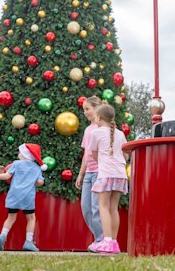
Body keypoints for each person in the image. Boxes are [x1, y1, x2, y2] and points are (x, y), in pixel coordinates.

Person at [0, 143, 46, 252]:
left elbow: (7, 176)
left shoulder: (16, 164)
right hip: (28, 197)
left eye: (20, 152)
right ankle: (28, 242)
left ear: (25, 154)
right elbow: (40, 182)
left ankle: (2, 235)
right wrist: (33, 182)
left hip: (14, 195)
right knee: (31, 218)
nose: (19, 154)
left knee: (11, 217)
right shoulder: (37, 168)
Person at [88, 104, 128, 254]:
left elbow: (93, 154)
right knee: (113, 208)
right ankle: (114, 242)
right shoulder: (120, 134)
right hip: (120, 174)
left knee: (102, 206)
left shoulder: (96, 133)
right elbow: (126, 155)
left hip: (106, 174)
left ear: (99, 117)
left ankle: (107, 242)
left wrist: (102, 162)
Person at [74, 96, 104, 252]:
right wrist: (81, 175)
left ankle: (100, 240)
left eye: (87, 109)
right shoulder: (87, 130)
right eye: (84, 110)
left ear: (96, 108)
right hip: (89, 174)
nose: (85, 113)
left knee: (96, 207)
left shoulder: (103, 127)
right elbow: (86, 154)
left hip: (100, 172)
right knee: (86, 208)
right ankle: (101, 237)